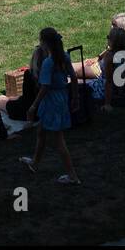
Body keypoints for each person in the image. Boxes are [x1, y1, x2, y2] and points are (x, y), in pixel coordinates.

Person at [19, 28, 81, 184]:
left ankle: (72, 175)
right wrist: (75, 97)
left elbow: (44, 87)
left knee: (59, 140)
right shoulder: (64, 57)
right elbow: (73, 78)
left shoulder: (48, 62)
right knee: (41, 131)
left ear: (44, 43)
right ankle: (35, 163)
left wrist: (33, 106)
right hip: (62, 98)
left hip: (51, 101)